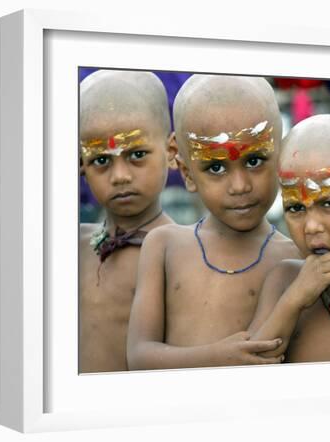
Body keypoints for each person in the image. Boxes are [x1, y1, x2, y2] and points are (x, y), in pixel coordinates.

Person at [126, 74, 301, 370]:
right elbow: (139, 357)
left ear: (281, 156)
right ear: (187, 172)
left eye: (255, 160)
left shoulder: (294, 259)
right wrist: (220, 357)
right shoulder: (164, 245)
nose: (240, 185)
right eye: (216, 166)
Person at [247, 114, 330, 362]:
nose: (311, 226)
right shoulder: (284, 280)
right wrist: (294, 300)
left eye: (329, 203)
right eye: (295, 208)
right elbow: (248, 369)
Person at [79, 70, 176, 373]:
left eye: (136, 154)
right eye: (101, 160)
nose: (120, 176)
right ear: (81, 164)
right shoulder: (71, 247)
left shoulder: (181, 253)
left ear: (172, 152)